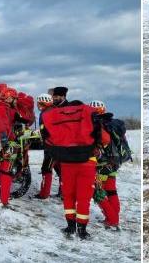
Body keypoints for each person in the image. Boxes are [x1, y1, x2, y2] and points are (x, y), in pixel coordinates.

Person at [40, 96, 108, 240]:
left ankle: (70, 226)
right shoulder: (88, 117)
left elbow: (48, 137)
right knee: (84, 198)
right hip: (87, 163)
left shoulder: (61, 121)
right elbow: (105, 139)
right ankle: (82, 229)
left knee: (68, 195)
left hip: (66, 163)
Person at [90, 100, 121, 231]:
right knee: (112, 191)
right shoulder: (111, 124)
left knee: (98, 193)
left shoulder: (97, 126)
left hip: (101, 166)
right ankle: (115, 217)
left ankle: (112, 220)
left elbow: (97, 147)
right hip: (114, 163)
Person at [34, 93, 57, 199]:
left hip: (52, 145)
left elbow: (46, 129)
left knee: (46, 169)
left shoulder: (46, 113)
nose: (38, 105)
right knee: (58, 169)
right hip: (56, 145)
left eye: (39, 103)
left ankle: (44, 193)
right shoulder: (54, 110)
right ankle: (63, 192)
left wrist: (40, 134)